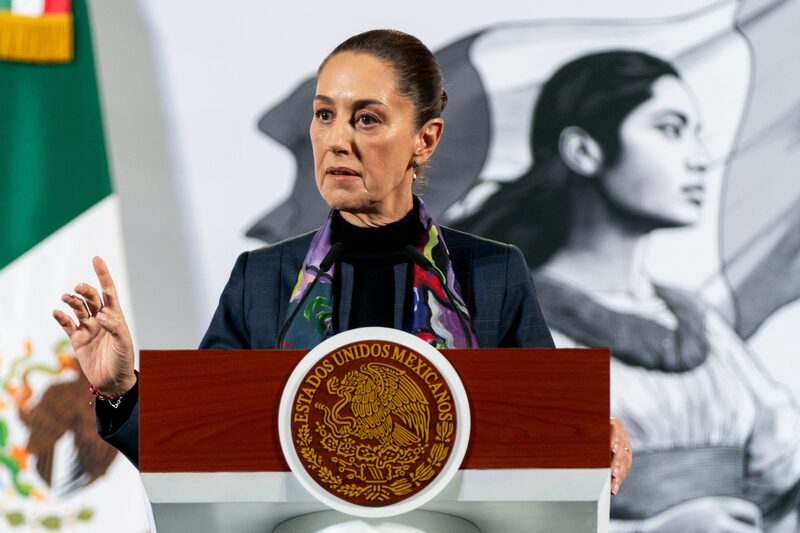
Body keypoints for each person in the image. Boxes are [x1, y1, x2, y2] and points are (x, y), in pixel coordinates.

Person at [52, 30, 632, 495]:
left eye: (367, 119)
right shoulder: (264, 279)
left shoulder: (491, 274)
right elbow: (198, 455)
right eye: (324, 115)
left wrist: (589, 440)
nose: (336, 140)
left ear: (425, 140)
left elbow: (546, 443)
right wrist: (124, 389)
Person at [454, 50, 800, 532]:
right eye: (670, 129)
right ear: (584, 150)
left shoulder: (697, 322)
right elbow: (502, 516)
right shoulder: (518, 317)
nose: (701, 158)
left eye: (697, 133)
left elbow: (782, 478)